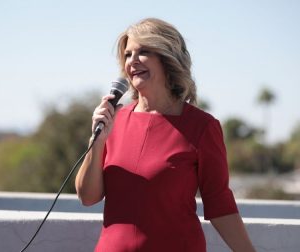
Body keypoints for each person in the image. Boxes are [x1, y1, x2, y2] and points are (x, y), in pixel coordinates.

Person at [75, 18, 255, 252]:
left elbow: (219, 203)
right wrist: (97, 142)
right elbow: (87, 197)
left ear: (167, 58)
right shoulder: (113, 122)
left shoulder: (202, 126)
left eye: (144, 52)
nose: (132, 62)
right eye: (128, 55)